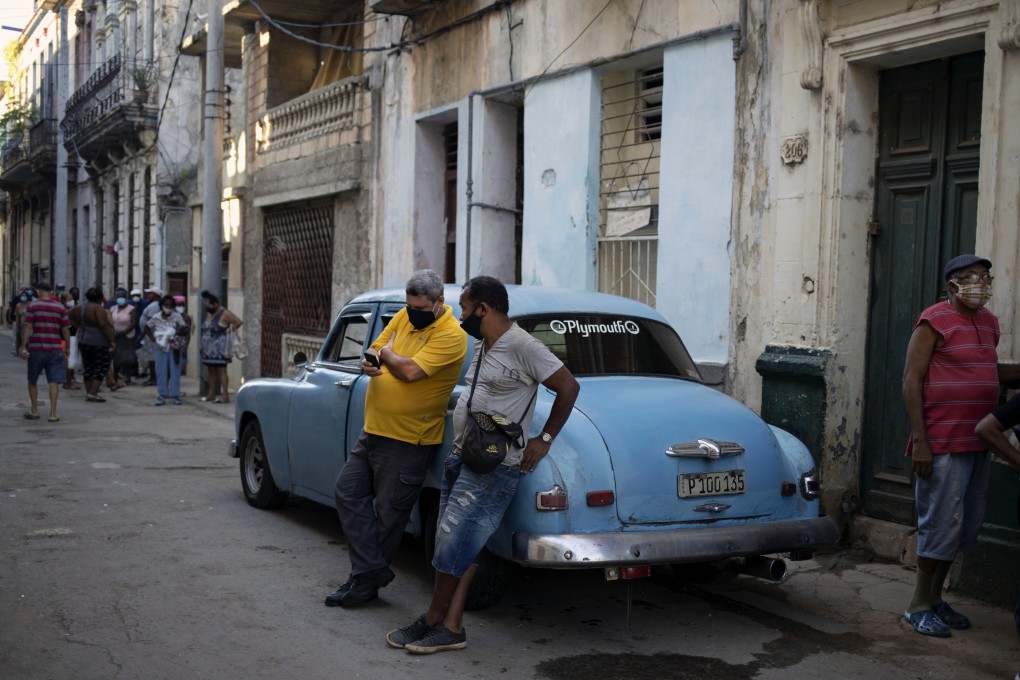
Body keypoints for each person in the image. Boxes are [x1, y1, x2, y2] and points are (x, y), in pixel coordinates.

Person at [387, 275, 579, 654]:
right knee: (460, 546)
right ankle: (453, 626)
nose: (461, 316)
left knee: (449, 547)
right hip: (463, 456)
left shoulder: (524, 345)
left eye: (464, 308)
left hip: (493, 467)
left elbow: (569, 387)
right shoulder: (484, 344)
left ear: (484, 309)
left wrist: (544, 439)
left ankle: (430, 620)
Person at [326, 270, 468, 608]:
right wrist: (372, 360)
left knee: (390, 516)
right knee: (347, 492)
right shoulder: (404, 316)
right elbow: (376, 346)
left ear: (438, 303)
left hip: (409, 439)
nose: (412, 313)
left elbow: (411, 372)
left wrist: (389, 356)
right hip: (373, 431)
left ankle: (363, 583)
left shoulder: (451, 335)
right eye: (409, 306)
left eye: (420, 308)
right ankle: (372, 570)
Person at [901, 254, 1020, 637]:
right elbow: (911, 379)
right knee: (938, 523)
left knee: (965, 525)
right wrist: (921, 441)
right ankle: (917, 604)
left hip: (979, 442)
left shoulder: (989, 322)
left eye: (985, 277)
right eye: (970, 277)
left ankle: (937, 598)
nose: (979, 284)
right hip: (941, 441)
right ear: (952, 284)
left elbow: (986, 369)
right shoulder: (933, 320)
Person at [20, 281, 70, 422]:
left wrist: (24, 346)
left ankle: (34, 410)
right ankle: (53, 413)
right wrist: (67, 348)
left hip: (36, 348)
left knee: (32, 380)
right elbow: (66, 329)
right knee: (53, 381)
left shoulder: (33, 306)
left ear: (38, 291)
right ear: (51, 291)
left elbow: (28, 327)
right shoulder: (60, 307)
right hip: (55, 349)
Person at [69, 287, 116, 403]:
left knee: (88, 367)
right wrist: (112, 340)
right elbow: (104, 325)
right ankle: (93, 392)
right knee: (102, 366)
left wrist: (79, 326)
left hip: (84, 339)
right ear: (101, 298)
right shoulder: (98, 309)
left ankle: (89, 392)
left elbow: (69, 314)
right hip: (98, 341)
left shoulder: (81, 307)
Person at [145, 295, 189, 406]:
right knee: (160, 371)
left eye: (170, 305)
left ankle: (176, 395)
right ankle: (161, 395)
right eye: (166, 305)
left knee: (175, 371)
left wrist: (176, 332)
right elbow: (147, 327)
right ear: (161, 306)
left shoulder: (177, 316)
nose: (168, 307)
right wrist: (153, 339)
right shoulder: (156, 317)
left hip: (174, 348)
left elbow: (185, 329)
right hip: (160, 347)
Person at [199, 292, 242, 403]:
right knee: (211, 371)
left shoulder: (224, 313)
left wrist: (229, 330)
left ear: (214, 304)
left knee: (222, 370)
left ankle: (225, 395)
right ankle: (211, 394)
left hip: (220, 348)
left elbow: (238, 322)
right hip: (208, 348)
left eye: (207, 305)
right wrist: (201, 344)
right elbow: (205, 330)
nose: (206, 308)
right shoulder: (209, 314)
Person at [108, 287, 138, 385]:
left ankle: (128, 377)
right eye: (118, 297)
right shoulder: (112, 308)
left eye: (122, 297)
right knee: (115, 357)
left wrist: (123, 332)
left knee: (127, 358)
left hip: (127, 336)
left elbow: (133, 323)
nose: (120, 299)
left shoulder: (131, 309)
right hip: (115, 336)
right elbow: (109, 321)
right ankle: (115, 377)